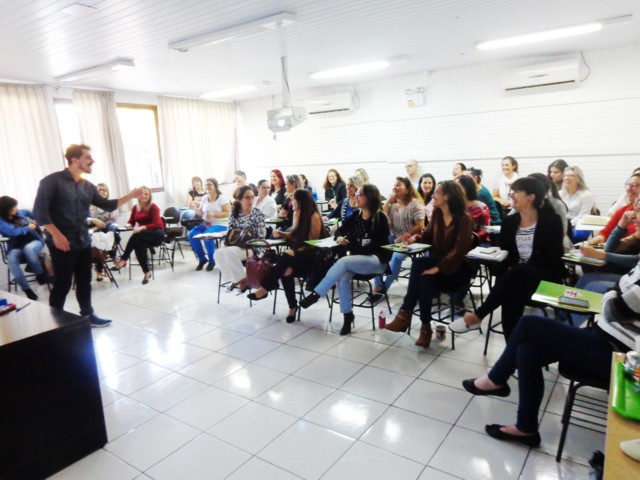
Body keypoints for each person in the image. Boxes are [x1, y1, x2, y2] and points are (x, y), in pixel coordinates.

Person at [461, 264, 638, 448]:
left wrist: (612, 295)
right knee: (527, 351)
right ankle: (526, 428)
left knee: (529, 323)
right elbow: (616, 294)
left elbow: (614, 310)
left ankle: (495, 379)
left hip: (623, 357)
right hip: (605, 339)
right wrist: (614, 294)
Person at [33, 144, 142, 327]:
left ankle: (88, 316)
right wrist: (56, 235)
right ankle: (55, 322)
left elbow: (107, 205)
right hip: (62, 244)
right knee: (63, 284)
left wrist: (130, 196)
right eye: (88, 157)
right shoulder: (51, 181)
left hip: (83, 241)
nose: (92, 161)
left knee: (85, 282)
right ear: (75, 160)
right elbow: (39, 212)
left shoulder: (88, 186)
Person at [450, 177, 565, 339]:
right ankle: (513, 351)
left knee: (515, 275)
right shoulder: (510, 222)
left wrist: (520, 270)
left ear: (530, 197)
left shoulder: (551, 221)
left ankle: (478, 316)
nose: (511, 195)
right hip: (516, 281)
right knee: (512, 292)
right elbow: (507, 255)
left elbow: (553, 257)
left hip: (545, 280)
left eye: (516, 192)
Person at [384, 181, 475, 347]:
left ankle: (405, 314)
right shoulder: (438, 214)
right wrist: (414, 238)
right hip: (438, 264)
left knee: (419, 264)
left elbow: (458, 252)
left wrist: (437, 268)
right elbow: (427, 236)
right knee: (424, 281)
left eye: (437, 193)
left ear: (447, 196)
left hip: (457, 268)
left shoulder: (465, 219)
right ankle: (425, 327)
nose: (433, 196)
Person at [300, 184, 392, 335]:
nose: (356, 197)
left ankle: (317, 294)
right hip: (358, 260)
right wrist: (341, 237)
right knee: (343, 276)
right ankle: (347, 315)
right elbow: (340, 230)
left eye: (360, 194)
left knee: (343, 262)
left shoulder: (380, 217)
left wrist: (354, 241)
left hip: (377, 261)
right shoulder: (356, 215)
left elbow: (376, 245)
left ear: (368, 198)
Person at [248, 189, 325, 323]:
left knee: (286, 257)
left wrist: (297, 250)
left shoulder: (314, 216)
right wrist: (282, 234)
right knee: (286, 270)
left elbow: (313, 244)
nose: (291, 201)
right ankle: (292, 306)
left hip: (311, 256)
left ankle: (266, 288)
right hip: (295, 255)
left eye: (293, 199)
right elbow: (294, 233)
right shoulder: (296, 213)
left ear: (301, 201)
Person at [374, 177, 425, 292]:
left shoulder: (415, 203)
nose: (395, 187)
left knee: (397, 257)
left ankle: (384, 287)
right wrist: (388, 201)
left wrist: (406, 234)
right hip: (394, 236)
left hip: (411, 238)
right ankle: (377, 283)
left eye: (398, 185)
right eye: (394, 185)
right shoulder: (392, 203)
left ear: (407, 189)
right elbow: (381, 216)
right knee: (377, 252)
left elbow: (420, 225)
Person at [214, 185, 266, 292]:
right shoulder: (234, 214)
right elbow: (230, 233)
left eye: (253, 197)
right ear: (240, 199)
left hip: (253, 247)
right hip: (236, 245)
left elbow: (261, 236)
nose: (251, 200)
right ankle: (236, 279)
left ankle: (241, 280)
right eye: (247, 197)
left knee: (229, 252)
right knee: (218, 253)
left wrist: (248, 240)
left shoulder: (258, 213)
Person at [114, 186, 166, 284]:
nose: (144, 196)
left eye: (146, 194)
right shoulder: (135, 208)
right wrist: (128, 225)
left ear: (150, 196)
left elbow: (157, 224)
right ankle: (146, 272)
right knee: (139, 246)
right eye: (142, 193)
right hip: (143, 235)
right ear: (138, 196)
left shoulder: (153, 207)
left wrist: (142, 227)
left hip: (157, 233)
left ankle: (123, 259)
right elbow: (131, 222)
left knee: (137, 235)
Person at [0, 196, 46, 300]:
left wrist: (36, 220)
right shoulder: (1, 221)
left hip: (34, 241)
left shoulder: (20, 212)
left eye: (15, 207)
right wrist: (28, 227)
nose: (15, 209)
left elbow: (33, 214)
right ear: (4, 211)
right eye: (12, 208)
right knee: (11, 259)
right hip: (16, 246)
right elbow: (13, 232)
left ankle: (39, 274)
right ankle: (27, 290)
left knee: (28, 249)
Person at [187, 178, 231, 271]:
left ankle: (212, 260)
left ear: (215, 186)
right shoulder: (204, 198)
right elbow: (201, 213)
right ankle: (202, 259)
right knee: (191, 234)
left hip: (221, 224)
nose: (208, 187)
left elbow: (227, 212)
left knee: (207, 235)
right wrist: (193, 208)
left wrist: (214, 215)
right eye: (206, 185)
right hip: (206, 223)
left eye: (210, 184)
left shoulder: (222, 198)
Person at [588, 173, 640, 246]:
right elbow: (605, 232)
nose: (628, 188)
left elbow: (633, 242)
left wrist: (613, 244)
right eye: (628, 184)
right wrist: (600, 238)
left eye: (634, 185)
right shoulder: (623, 210)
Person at [528, 173, 572, 253]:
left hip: (557, 245)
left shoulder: (557, 204)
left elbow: (562, 232)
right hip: (530, 242)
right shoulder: (525, 202)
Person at [89, 182, 120, 281]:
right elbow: (88, 220)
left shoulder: (111, 204)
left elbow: (113, 220)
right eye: (99, 190)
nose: (102, 192)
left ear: (107, 193)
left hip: (107, 230)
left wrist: (100, 224)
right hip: (94, 231)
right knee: (97, 243)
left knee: (107, 238)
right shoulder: (90, 206)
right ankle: (109, 261)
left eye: (104, 190)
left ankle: (100, 269)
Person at [559, 165, 596, 242]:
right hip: (563, 223)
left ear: (578, 179)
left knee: (576, 236)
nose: (566, 178)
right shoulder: (560, 193)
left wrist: (567, 225)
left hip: (580, 224)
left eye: (571, 175)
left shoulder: (586, 195)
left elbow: (582, 216)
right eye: (565, 175)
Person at [457, 175, 490, 242]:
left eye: (458, 188)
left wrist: (470, 238)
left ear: (467, 188)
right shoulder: (455, 206)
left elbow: (485, 230)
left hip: (477, 243)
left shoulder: (482, 207)